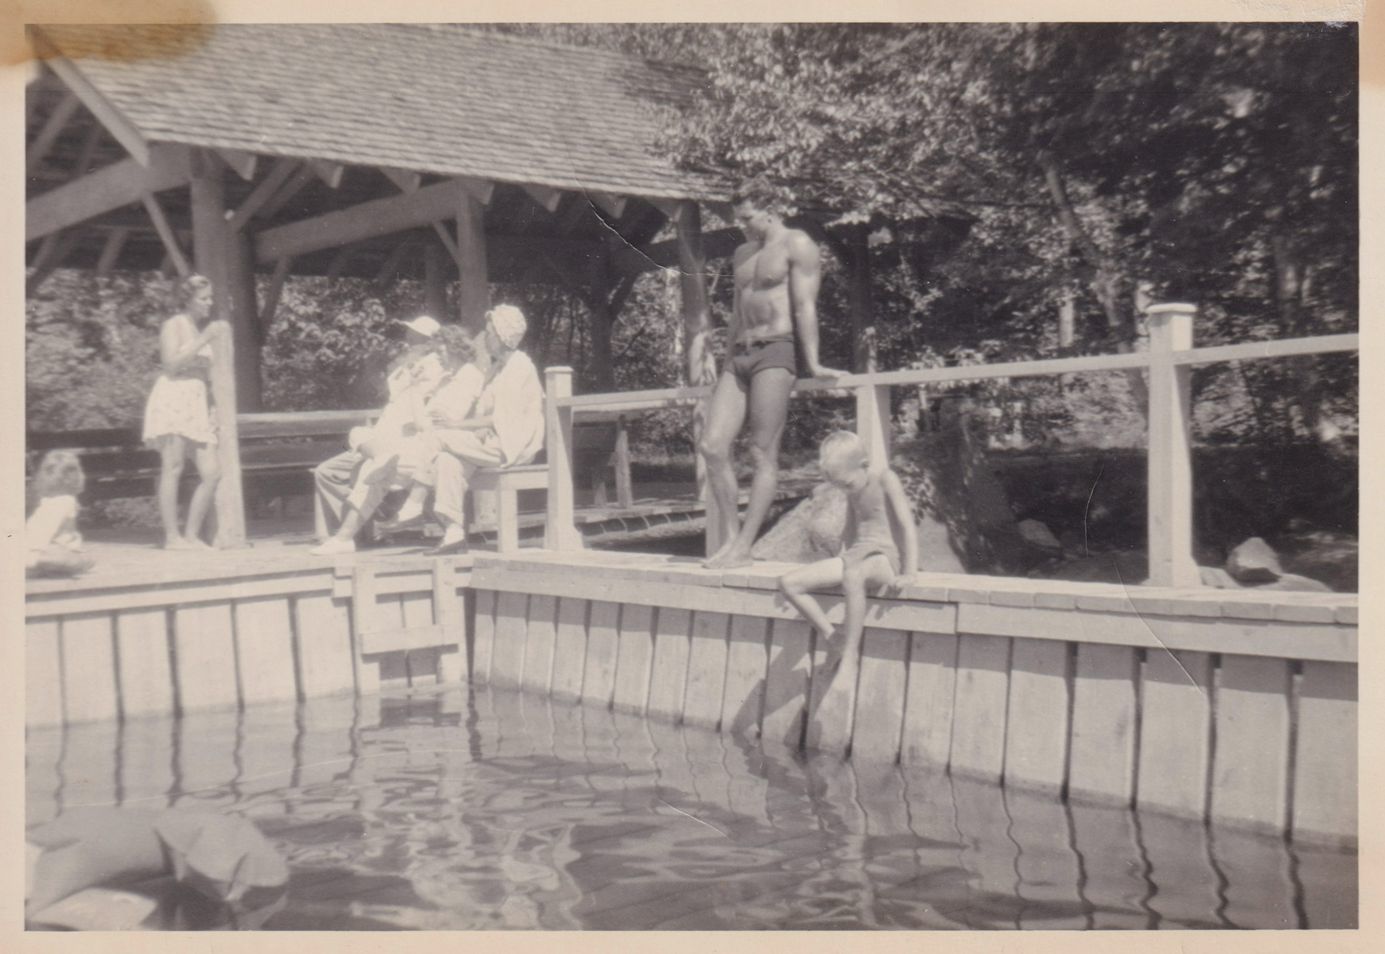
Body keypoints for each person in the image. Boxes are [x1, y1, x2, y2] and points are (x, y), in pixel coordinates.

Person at [700, 180, 846, 569]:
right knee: (712, 447)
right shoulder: (742, 252)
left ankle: (744, 547)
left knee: (762, 452)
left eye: (747, 218)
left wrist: (813, 363)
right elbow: (737, 311)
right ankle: (733, 539)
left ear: (770, 210)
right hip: (740, 355)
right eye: (738, 218)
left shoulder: (797, 244)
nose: (741, 225)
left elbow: (805, 306)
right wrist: (726, 360)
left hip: (776, 351)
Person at [778, 431, 918, 697]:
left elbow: (907, 526)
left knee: (853, 575)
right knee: (789, 583)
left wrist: (910, 573)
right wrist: (838, 560)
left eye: (846, 484)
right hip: (857, 556)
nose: (844, 490)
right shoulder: (852, 487)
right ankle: (834, 639)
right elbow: (851, 530)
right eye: (838, 485)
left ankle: (850, 656)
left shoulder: (886, 479)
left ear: (864, 465)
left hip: (885, 558)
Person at [414, 304, 544, 556]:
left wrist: (457, 425)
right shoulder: (497, 367)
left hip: (512, 445)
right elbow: (487, 412)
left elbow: (504, 418)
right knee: (447, 460)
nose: (485, 339)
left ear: (503, 336)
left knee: (439, 436)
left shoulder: (519, 367)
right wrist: (477, 427)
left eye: (489, 334)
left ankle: (414, 502)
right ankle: (453, 533)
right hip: (492, 442)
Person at [311, 314, 449, 542]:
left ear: (429, 342)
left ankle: (356, 532)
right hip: (380, 436)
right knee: (326, 472)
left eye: (415, 336)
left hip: (402, 443)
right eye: (409, 334)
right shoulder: (407, 365)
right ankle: (365, 528)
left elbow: (423, 407)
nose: (408, 339)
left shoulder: (433, 367)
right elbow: (391, 395)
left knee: (366, 467)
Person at [142, 273, 227, 550]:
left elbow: (206, 374)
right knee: (173, 467)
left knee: (212, 472)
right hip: (173, 397)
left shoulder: (197, 327)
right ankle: (172, 537)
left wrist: (212, 407)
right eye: (204, 299)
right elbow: (170, 365)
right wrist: (204, 339)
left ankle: (191, 535)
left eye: (210, 298)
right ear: (187, 300)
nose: (209, 303)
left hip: (197, 402)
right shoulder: (174, 324)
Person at [26, 450, 94, 578]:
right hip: (46, 549)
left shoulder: (56, 501)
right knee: (83, 560)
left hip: (55, 549)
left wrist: (34, 550)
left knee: (79, 558)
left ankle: (40, 563)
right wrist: (33, 550)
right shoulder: (58, 502)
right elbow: (38, 530)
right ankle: (37, 562)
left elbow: (43, 529)